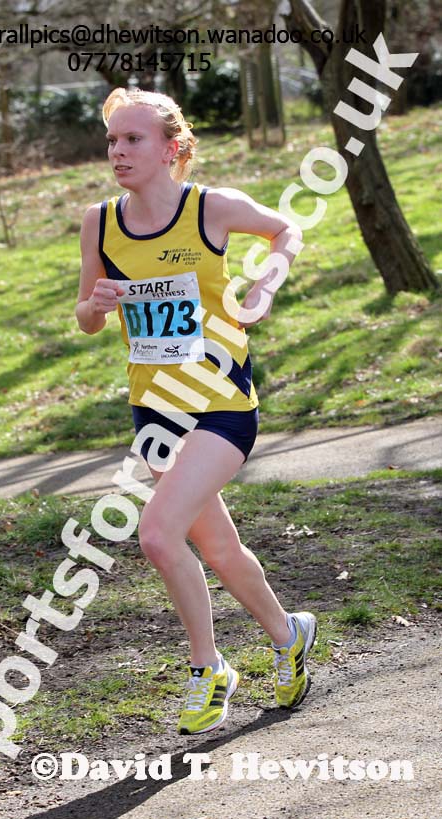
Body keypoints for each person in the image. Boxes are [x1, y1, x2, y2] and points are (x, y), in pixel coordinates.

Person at [76, 87, 316, 735]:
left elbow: (285, 227)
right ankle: (288, 632)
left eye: (132, 140)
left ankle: (207, 668)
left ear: (171, 149)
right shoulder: (101, 221)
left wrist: (267, 278)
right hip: (153, 409)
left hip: (220, 402)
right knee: (216, 545)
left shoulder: (210, 208)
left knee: (157, 535)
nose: (118, 152)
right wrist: (96, 306)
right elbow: (85, 319)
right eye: (112, 141)